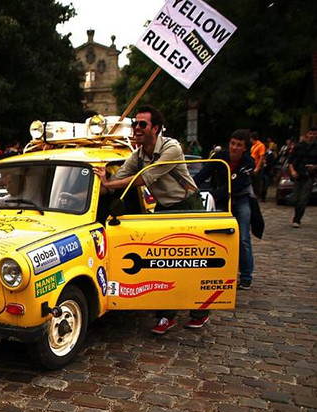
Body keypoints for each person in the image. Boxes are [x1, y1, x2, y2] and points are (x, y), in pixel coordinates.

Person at [94, 105, 207, 334]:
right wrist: (98, 183)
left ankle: (200, 310)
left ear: (155, 128)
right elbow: (119, 180)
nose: (137, 128)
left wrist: (109, 184)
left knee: (192, 261)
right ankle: (166, 316)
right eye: (135, 123)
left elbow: (144, 178)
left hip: (188, 205)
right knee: (165, 263)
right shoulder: (137, 156)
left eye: (142, 124)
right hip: (164, 208)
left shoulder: (171, 147)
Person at [194, 129, 256, 290]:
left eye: (239, 145)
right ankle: (219, 273)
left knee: (243, 237)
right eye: (232, 143)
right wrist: (189, 188)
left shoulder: (248, 163)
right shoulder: (219, 158)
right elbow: (202, 175)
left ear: (244, 148)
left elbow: (236, 185)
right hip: (221, 199)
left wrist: (213, 195)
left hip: (240, 198)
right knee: (217, 235)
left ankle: (246, 275)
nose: (234, 147)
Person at [288, 126, 317, 228]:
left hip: (309, 176)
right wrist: (293, 171)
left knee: (303, 200)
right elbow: (290, 160)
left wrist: (314, 167)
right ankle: (296, 213)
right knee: (295, 198)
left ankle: (297, 219)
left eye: (314, 134)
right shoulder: (298, 146)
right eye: (310, 134)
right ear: (307, 135)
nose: (312, 136)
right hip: (298, 175)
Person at [250, 132, 265, 197]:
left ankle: (257, 195)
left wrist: (257, 168)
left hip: (257, 166)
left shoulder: (261, 145)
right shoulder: (253, 146)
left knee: (257, 182)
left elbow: (261, 157)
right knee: (252, 182)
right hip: (252, 165)